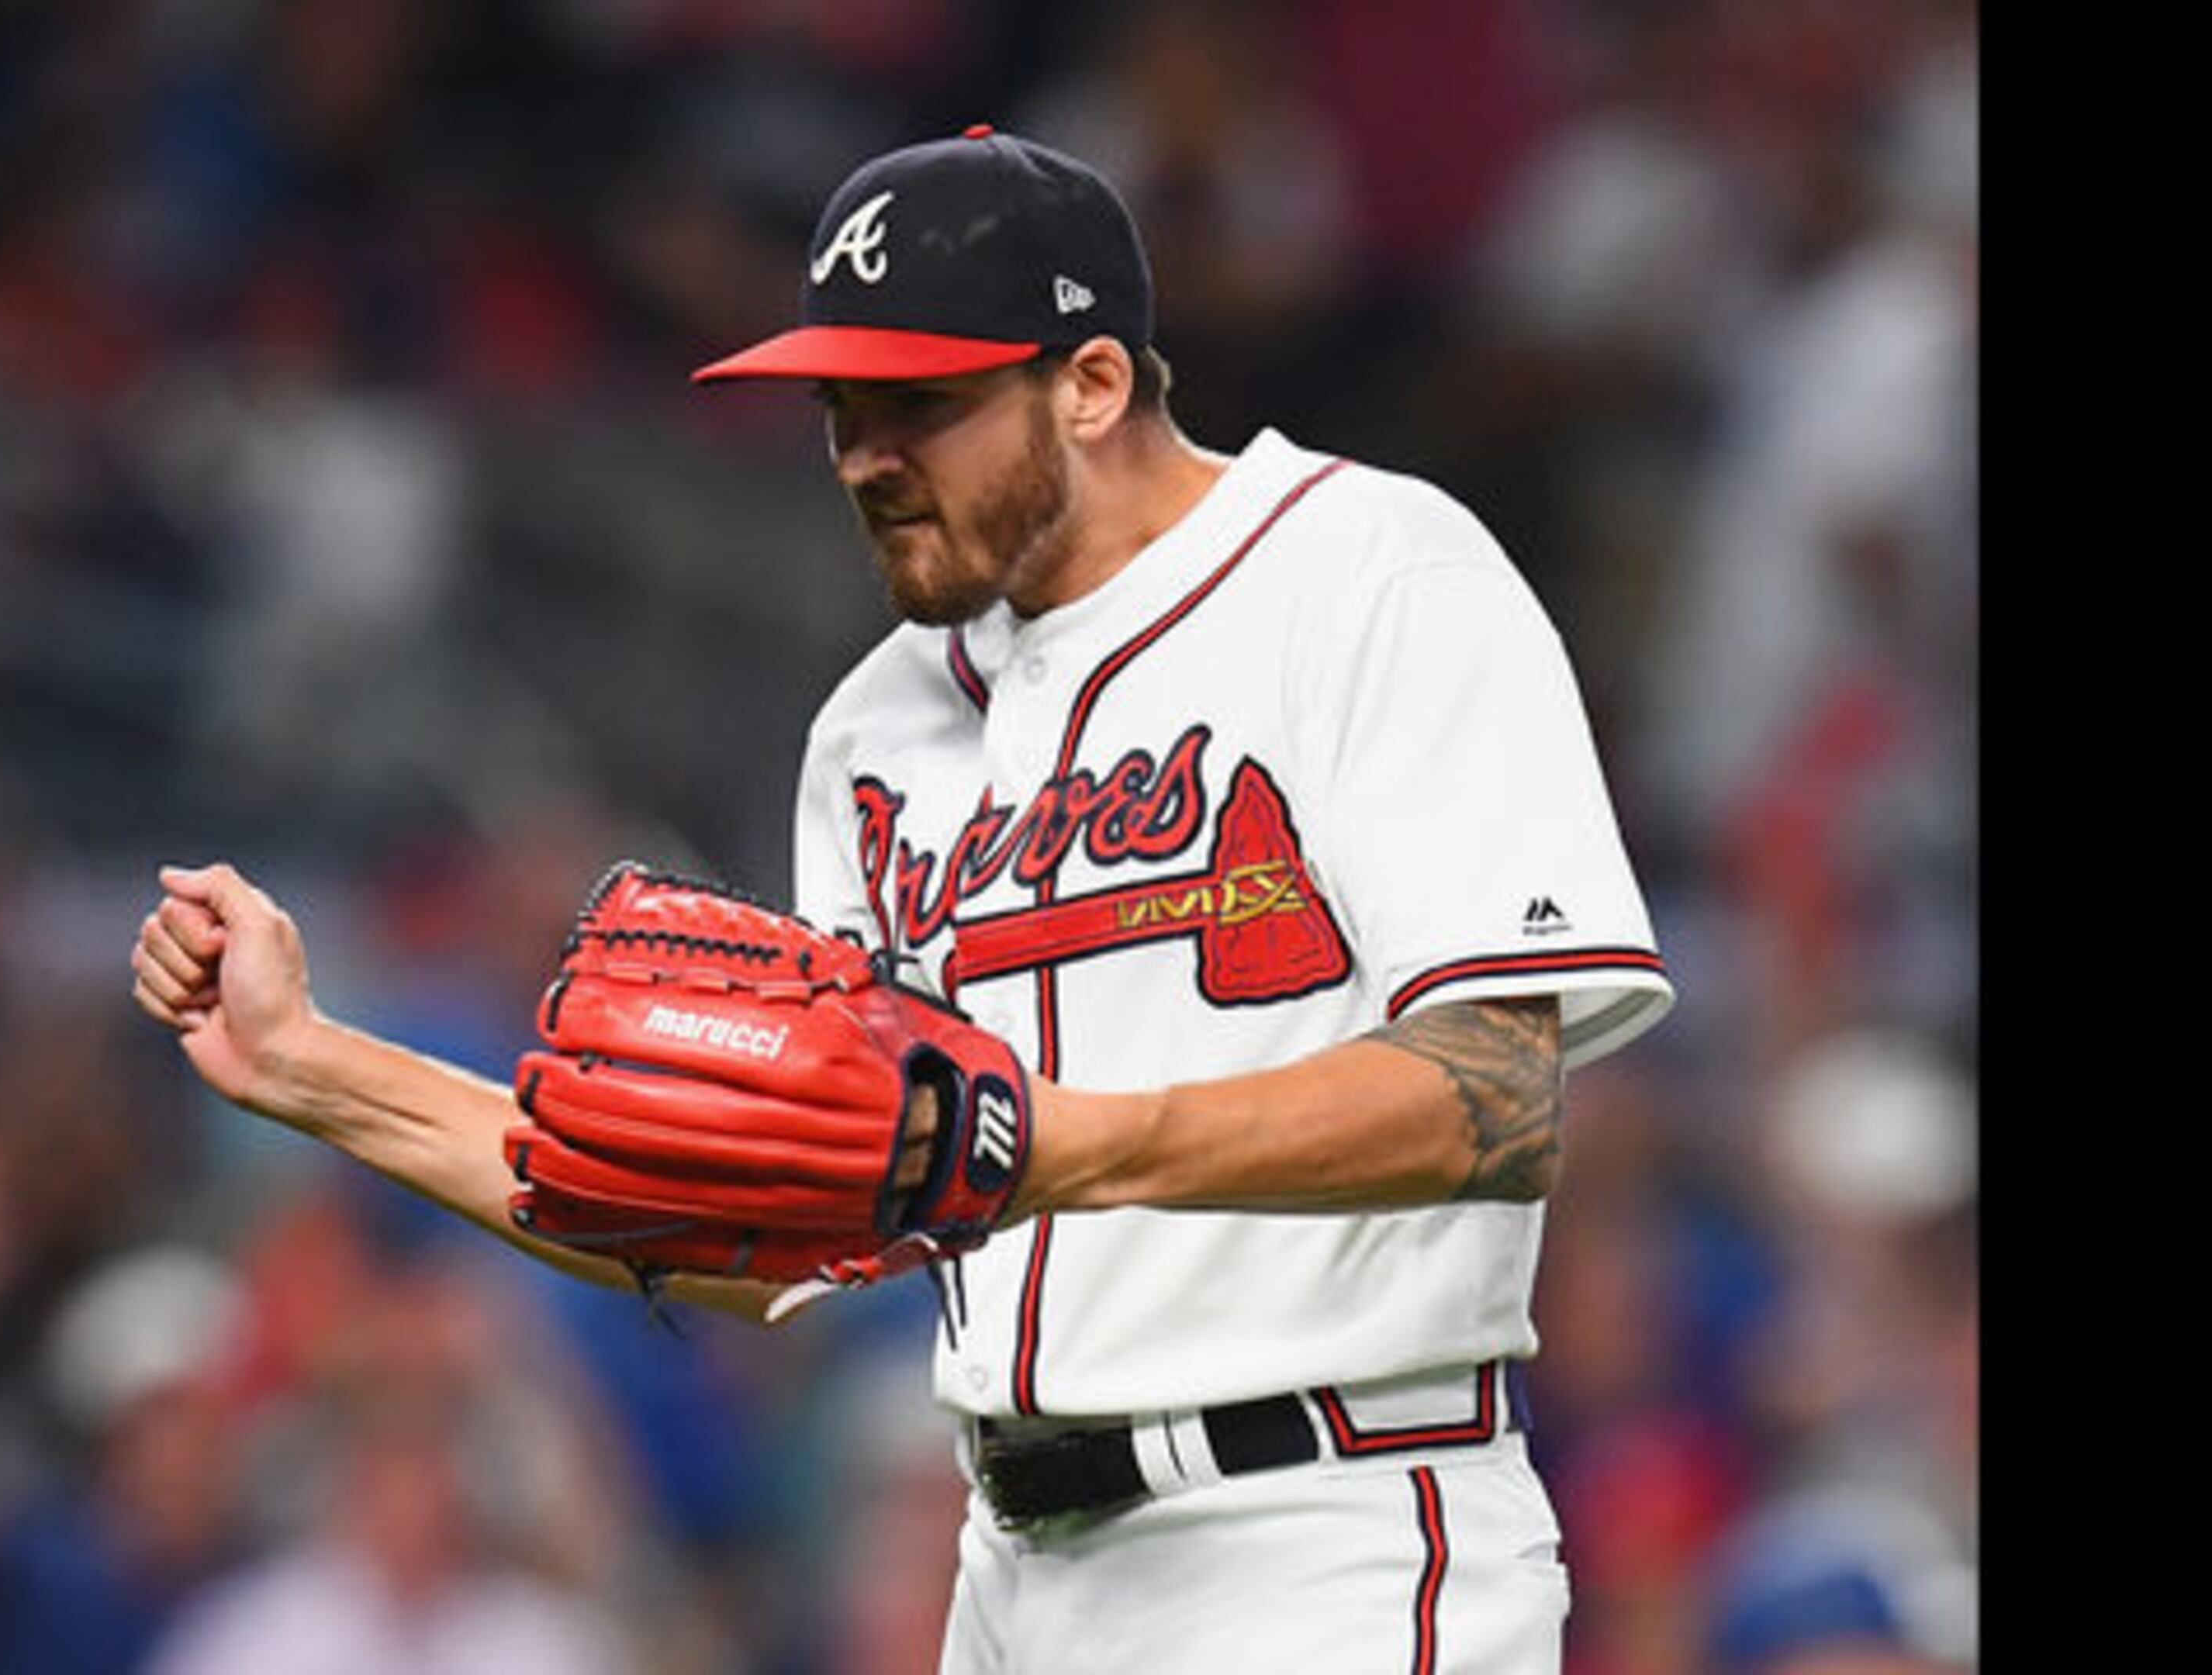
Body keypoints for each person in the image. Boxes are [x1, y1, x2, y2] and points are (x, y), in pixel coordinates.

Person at [133, 124, 1674, 1672]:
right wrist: (313, 1068)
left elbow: (1499, 1097)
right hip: (1011, 1570)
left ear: (1092, 384)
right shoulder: (876, 728)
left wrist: (1055, 1146)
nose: (868, 454)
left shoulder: (1369, 575)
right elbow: (780, 1236)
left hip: (1326, 1540)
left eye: (920, 402)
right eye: (840, 406)